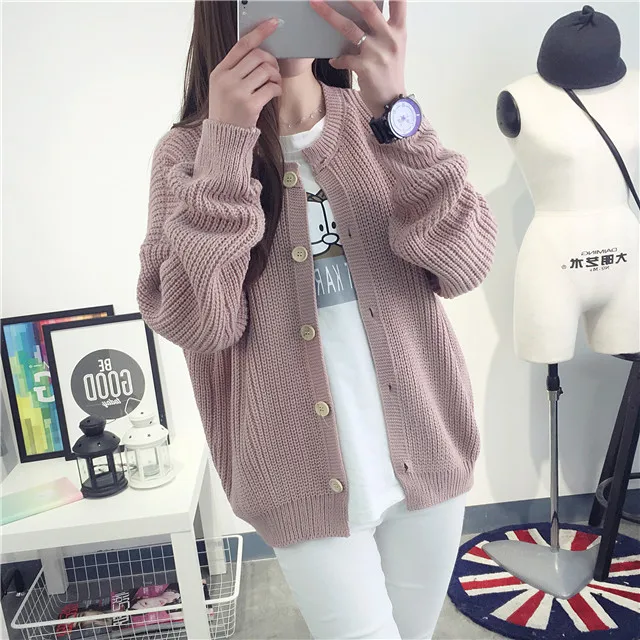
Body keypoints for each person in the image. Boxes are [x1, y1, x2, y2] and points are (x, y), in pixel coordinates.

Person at [137, 1, 497, 638]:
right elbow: (199, 324)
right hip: (295, 478)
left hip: (427, 451)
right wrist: (226, 147)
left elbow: (466, 265)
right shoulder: (187, 154)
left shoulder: (378, 120)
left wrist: (397, 110)